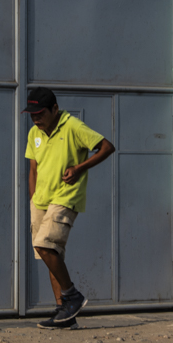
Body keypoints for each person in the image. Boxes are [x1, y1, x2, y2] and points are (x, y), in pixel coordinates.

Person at [23, 87, 115, 329]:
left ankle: (72, 296)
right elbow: (33, 168)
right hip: (40, 201)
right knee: (51, 253)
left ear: (55, 109)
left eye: (40, 113)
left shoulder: (73, 126)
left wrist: (79, 168)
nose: (35, 118)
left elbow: (107, 147)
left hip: (65, 197)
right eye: (32, 114)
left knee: (44, 245)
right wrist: (33, 199)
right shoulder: (34, 133)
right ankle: (65, 313)